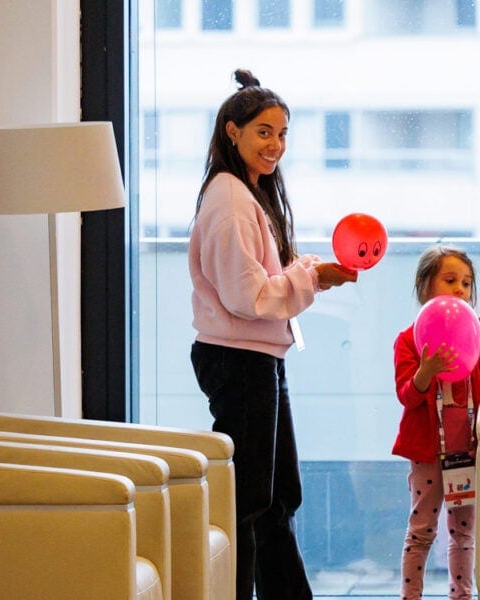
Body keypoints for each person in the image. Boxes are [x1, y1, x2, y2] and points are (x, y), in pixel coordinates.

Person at [189, 68, 357, 600]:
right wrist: (310, 276)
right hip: (238, 360)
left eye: (282, 134)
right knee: (254, 502)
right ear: (231, 131)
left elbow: (261, 277)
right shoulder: (231, 200)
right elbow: (250, 297)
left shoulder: (247, 196)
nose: (276, 145)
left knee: (277, 495)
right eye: (264, 131)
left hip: (256, 358)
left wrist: (310, 272)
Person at [391, 244, 480, 600]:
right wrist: (425, 372)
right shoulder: (408, 339)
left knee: (463, 533)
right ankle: (410, 596)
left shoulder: (472, 334)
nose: (461, 290)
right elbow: (407, 396)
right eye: (450, 280)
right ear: (425, 286)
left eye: (467, 283)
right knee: (421, 529)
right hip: (427, 452)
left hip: (467, 452)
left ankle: (462, 595)